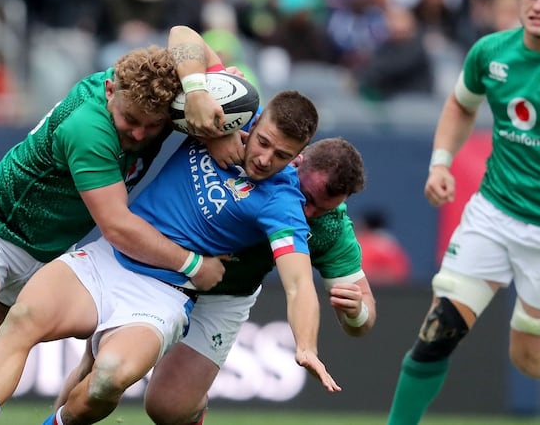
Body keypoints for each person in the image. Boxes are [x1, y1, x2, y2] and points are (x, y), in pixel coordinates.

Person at [0, 89, 341, 425]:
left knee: (106, 380)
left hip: (163, 296)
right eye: (263, 142)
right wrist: (199, 96)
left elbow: (299, 282)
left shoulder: (282, 202)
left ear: (298, 156)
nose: (266, 158)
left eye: (282, 155)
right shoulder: (219, 113)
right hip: (108, 259)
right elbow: (182, 38)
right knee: (24, 317)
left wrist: (305, 346)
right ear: (255, 119)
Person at [0, 26, 233, 425]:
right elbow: (119, 228)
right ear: (109, 91)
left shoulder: (149, 97)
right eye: (130, 121)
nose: (139, 134)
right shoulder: (88, 127)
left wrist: (203, 97)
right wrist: (192, 265)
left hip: (44, 252)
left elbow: (182, 34)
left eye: (152, 126)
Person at [386, 0, 540, 424]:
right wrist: (440, 163)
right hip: (491, 215)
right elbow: (460, 104)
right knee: (437, 332)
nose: (536, 6)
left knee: (531, 358)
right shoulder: (491, 52)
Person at [55, 137, 376, 425]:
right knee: (97, 366)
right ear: (297, 159)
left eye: (323, 209)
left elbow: (361, 322)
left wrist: (356, 312)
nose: (308, 213)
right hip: (165, 269)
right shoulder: (254, 153)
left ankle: (195, 407)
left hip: (224, 295)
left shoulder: (332, 229)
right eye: (306, 197)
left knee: (167, 408)